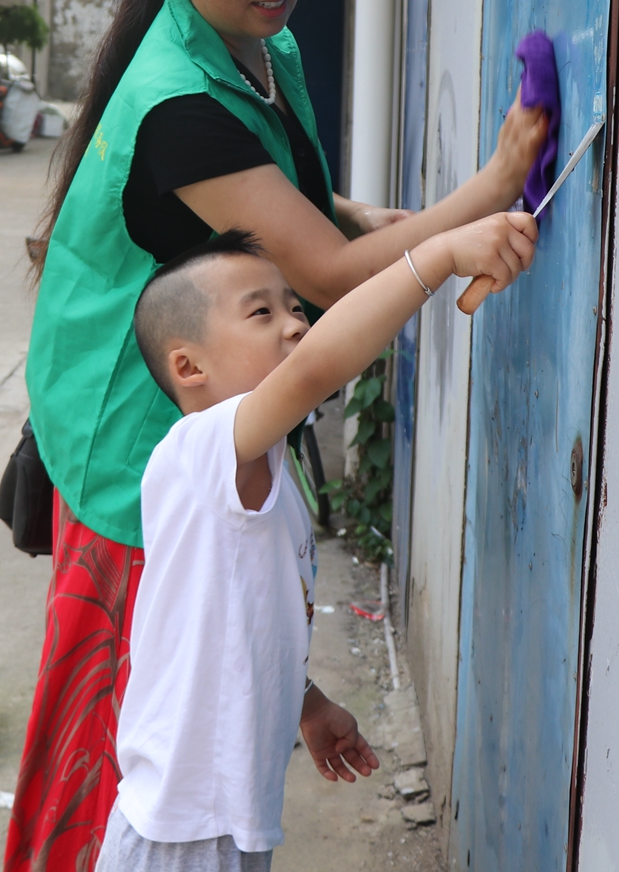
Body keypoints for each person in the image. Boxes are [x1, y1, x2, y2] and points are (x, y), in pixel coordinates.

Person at [8, 0, 548, 871]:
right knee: (120, 754)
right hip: (133, 441)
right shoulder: (176, 108)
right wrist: (476, 206)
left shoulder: (258, 45)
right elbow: (329, 280)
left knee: (196, 656)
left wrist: (390, 216)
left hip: (183, 401)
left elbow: (294, 202)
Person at [101, 217, 536, 870]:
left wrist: (304, 701)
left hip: (223, 820)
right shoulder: (196, 452)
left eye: (297, 308)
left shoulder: (267, 474)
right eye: (261, 312)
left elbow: (241, 621)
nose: (296, 326)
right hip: (181, 830)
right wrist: (440, 255)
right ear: (189, 366)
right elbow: (313, 368)